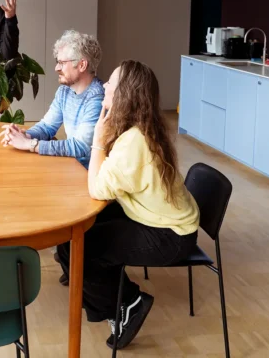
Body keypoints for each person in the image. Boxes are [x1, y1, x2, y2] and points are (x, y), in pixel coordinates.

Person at [56, 60, 200, 351]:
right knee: (73, 234)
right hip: (154, 216)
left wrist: (98, 140)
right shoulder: (138, 129)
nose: (105, 85)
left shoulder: (135, 141)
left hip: (170, 235)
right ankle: (92, 285)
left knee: (83, 249)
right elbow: (104, 181)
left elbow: (97, 187)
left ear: (125, 94)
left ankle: (127, 303)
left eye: (111, 82)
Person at [0, 30, 104, 168]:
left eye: (61, 62)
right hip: (70, 166)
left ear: (82, 65)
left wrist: (30, 144)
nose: (56, 68)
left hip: (88, 173)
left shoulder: (97, 99)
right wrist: (23, 136)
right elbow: (47, 127)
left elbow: (81, 147)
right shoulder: (64, 91)